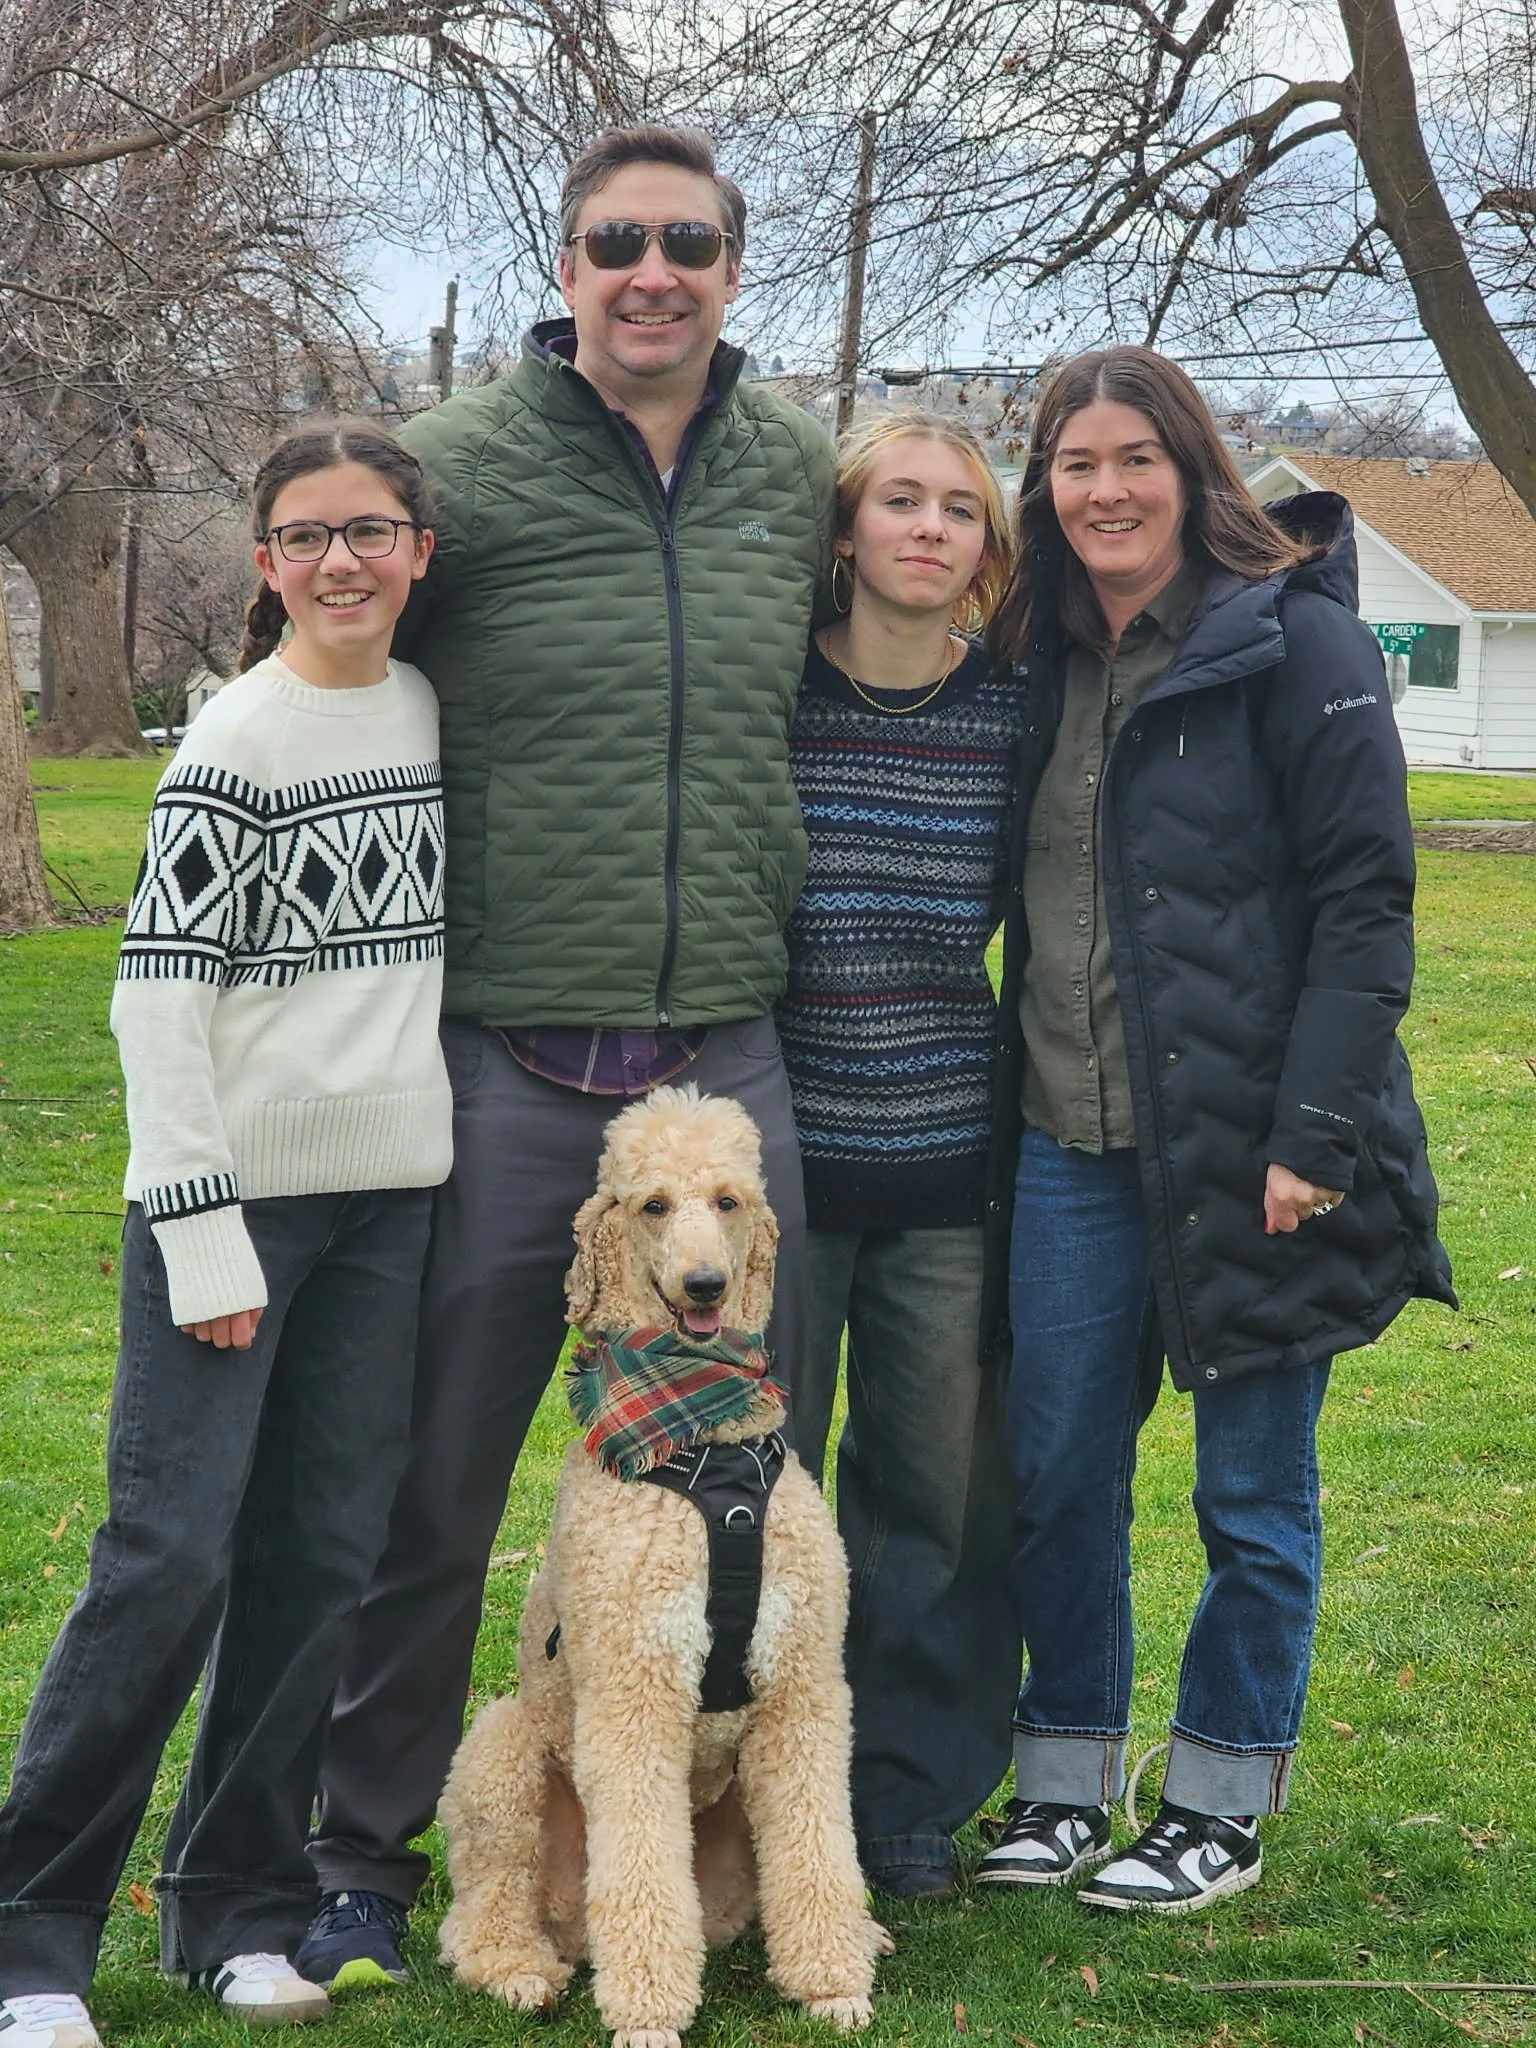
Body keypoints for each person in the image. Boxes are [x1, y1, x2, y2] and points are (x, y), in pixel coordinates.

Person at [296, 124, 835, 1990]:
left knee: (758, 1483)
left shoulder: (798, 467)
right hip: (511, 1072)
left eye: (688, 240)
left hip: (728, 1067)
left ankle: (753, 1865)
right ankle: (367, 1849)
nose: (652, 272)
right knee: (434, 1479)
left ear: (731, 266)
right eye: (617, 242)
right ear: (570, 261)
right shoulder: (454, 471)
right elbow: (326, 655)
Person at [972, 347, 1454, 1909]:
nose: (1103, 490)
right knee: (1056, 1472)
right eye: (1073, 464)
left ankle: (1221, 1803)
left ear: (1193, 471)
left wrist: (1314, 1134)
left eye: (1134, 460)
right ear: (1042, 490)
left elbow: (1366, 904)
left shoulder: (1295, 642)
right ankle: (1061, 1784)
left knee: (1250, 1493)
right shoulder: (1027, 652)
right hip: (1065, 1137)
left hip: (1257, 1148)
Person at [0, 425, 451, 2048]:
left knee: (319, 1559)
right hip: (232, 1207)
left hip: (391, 1204)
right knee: (168, 1561)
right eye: (308, 536)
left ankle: (237, 1911)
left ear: (417, 551)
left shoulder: (422, 714)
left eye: (374, 533)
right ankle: (29, 1935)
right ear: (264, 564)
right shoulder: (236, 741)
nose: (343, 562)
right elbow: (155, 999)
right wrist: (201, 1228)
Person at [778, 414, 1024, 1898]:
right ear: (847, 530)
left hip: (947, 1162)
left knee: (931, 1498)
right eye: (899, 502)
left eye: (959, 512)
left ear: (986, 556)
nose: (929, 529)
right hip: (778, 1171)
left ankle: (906, 1798)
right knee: (758, 1494)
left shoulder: (1012, 712)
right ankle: (743, 1787)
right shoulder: (768, 691)